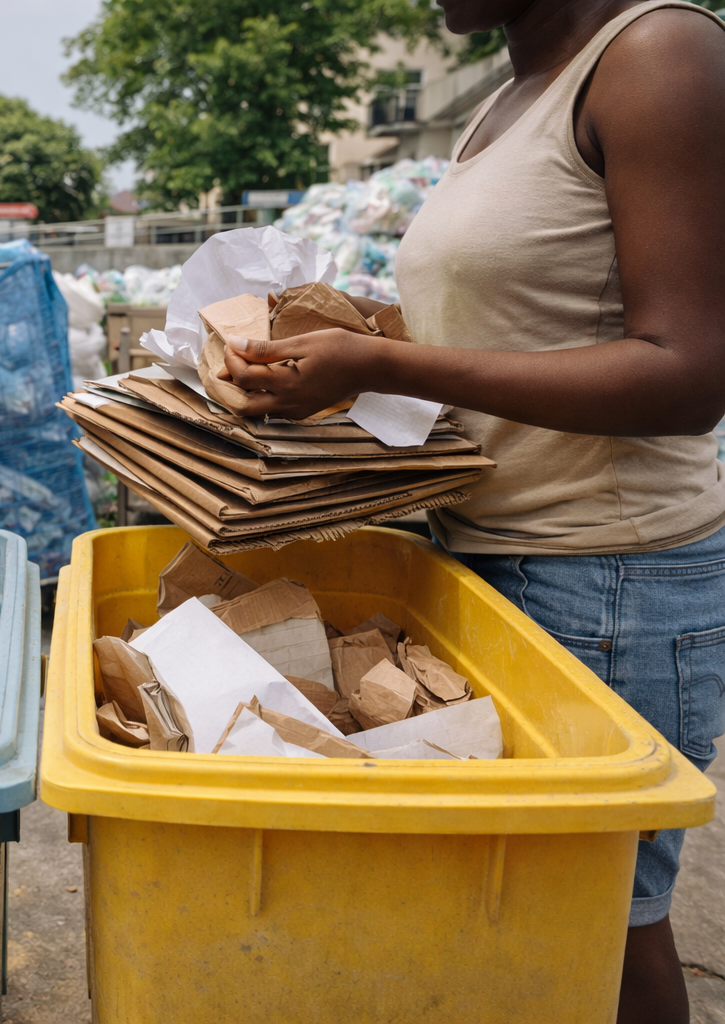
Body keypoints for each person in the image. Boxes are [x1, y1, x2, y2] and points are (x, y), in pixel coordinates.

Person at [220, 1, 725, 1020]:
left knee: (601, 923)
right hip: (490, 558)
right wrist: (336, 352)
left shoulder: (659, 54)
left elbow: (689, 376)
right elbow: (512, 337)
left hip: (604, 579)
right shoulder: (506, 98)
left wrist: (384, 364)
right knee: (513, 919)